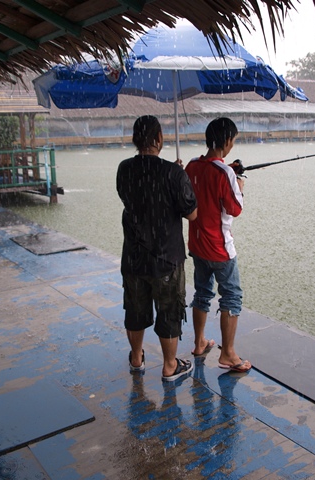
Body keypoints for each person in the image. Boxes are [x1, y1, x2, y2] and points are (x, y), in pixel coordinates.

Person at [116, 115, 198, 382]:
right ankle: (170, 365)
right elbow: (192, 213)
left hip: (134, 257)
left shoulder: (124, 169)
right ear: (159, 139)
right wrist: (177, 177)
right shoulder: (173, 174)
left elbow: (137, 196)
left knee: (135, 311)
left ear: (136, 139)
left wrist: (169, 176)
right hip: (166, 259)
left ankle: (137, 358)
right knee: (170, 311)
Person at [185, 117, 252, 372]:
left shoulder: (191, 166)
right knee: (232, 296)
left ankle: (199, 342)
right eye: (233, 140)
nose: (233, 144)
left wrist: (229, 174)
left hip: (198, 245)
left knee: (202, 292)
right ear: (226, 141)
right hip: (220, 249)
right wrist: (240, 184)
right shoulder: (225, 174)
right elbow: (235, 208)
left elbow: (199, 190)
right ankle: (229, 354)